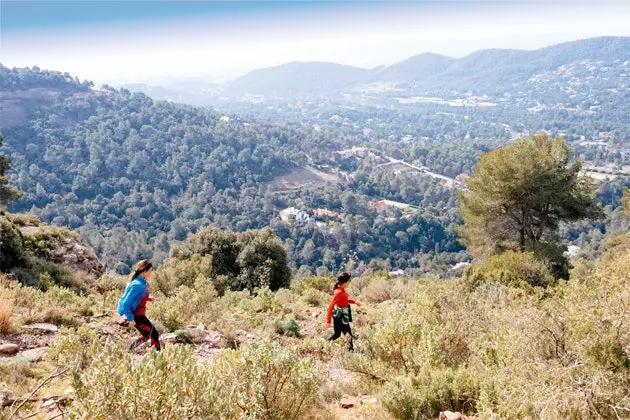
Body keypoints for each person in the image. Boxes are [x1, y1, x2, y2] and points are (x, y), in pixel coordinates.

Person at [117, 259, 161, 351]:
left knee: (146, 335)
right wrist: (131, 319)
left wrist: (147, 298)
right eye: (150, 270)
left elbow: (136, 297)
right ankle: (157, 357)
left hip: (138, 314)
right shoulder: (137, 285)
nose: (151, 273)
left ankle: (128, 350)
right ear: (144, 271)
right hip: (137, 316)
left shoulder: (139, 282)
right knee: (154, 334)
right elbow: (126, 303)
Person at [326, 272, 360, 351]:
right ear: (344, 282)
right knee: (346, 334)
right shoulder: (338, 292)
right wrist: (328, 321)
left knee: (339, 334)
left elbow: (345, 300)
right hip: (340, 316)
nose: (349, 282)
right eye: (348, 281)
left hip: (341, 316)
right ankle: (351, 352)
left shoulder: (340, 290)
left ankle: (324, 345)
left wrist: (354, 302)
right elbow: (331, 306)